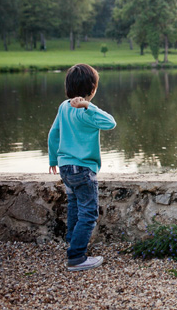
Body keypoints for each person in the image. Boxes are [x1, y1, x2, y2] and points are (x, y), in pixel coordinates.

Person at [48, 63, 116, 271]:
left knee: (75, 208)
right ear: (93, 89)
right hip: (83, 169)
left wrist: (53, 160)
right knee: (88, 213)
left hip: (66, 167)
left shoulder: (63, 106)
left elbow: (53, 134)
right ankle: (76, 256)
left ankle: (73, 242)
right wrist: (88, 106)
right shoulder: (87, 112)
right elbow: (110, 123)